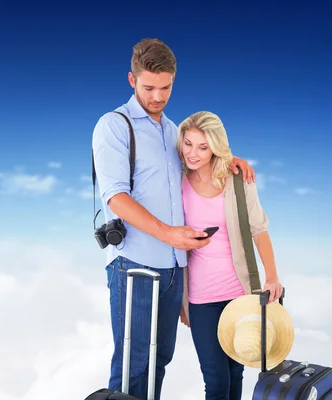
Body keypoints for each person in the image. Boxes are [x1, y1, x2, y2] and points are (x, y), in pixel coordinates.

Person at [91, 38, 256, 400]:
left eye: (166, 87)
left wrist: (230, 161)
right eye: (149, 87)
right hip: (134, 266)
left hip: (173, 271)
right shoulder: (114, 126)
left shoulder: (171, 131)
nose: (158, 96)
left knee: (158, 359)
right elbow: (115, 197)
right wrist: (168, 234)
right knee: (134, 364)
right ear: (132, 80)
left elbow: (198, 161)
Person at [176, 111, 284, 400]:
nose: (193, 153)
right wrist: (180, 301)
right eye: (188, 144)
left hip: (240, 294)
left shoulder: (237, 180)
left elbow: (259, 230)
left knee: (236, 372)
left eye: (203, 147)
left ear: (215, 147)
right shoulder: (176, 180)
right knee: (216, 380)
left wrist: (272, 277)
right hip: (201, 299)